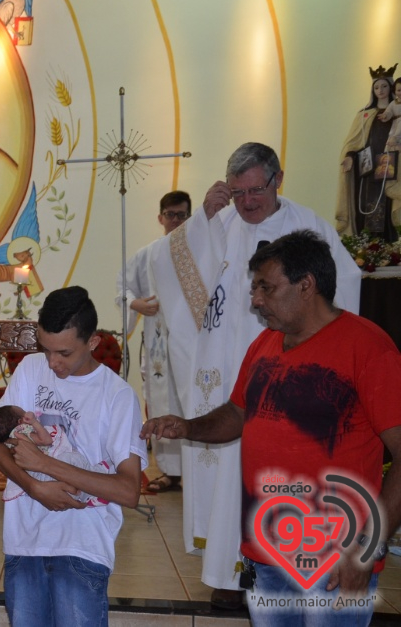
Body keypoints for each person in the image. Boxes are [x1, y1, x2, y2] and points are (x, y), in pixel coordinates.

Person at [142, 230, 401, 626]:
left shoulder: (367, 348)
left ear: (306, 285)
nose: (256, 299)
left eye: (266, 287)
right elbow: (238, 414)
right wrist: (187, 427)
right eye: (254, 288)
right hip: (268, 553)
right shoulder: (265, 344)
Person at [150, 142, 362, 608]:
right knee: (229, 469)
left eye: (255, 190)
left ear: (277, 180)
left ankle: (292, 570)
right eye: (237, 191)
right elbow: (170, 271)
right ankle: (228, 573)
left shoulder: (308, 227)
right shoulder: (217, 226)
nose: (247, 201)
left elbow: (345, 284)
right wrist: (202, 220)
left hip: (291, 374)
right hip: (227, 377)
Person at [0, 286, 147, 626]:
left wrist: (45, 464)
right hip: (25, 543)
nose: (53, 362)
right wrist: (33, 485)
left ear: (93, 343)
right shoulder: (30, 369)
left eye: (65, 353)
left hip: (82, 546)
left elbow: (129, 491)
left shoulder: (117, 396)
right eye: (46, 349)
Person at [115, 190, 191, 493]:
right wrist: (136, 305)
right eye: (170, 214)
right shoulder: (146, 255)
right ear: (160, 217)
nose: (175, 220)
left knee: (194, 401)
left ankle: (199, 469)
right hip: (160, 345)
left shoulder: (201, 251)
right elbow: (122, 287)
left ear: (189, 216)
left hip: (193, 344)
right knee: (162, 400)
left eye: (181, 214)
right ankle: (170, 472)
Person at [0, 404, 112, 506]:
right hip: (43, 472)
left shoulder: (8, 442)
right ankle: (96, 476)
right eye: (24, 413)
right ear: (20, 422)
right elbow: (46, 440)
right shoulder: (22, 432)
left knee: (68, 481)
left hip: (37, 475)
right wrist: (34, 422)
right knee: (71, 459)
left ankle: (88, 496)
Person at [337, 65, 399, 241]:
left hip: (390, 168)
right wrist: (349, 156)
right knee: (367, 204)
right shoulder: (364, 115)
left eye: (384, 86)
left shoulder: (397, 115)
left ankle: (389, 245)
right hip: (368, 170)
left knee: (388, 205)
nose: (380, 90)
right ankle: (368, 245)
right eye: (376, 87)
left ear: (391, 87)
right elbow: (353, 142)